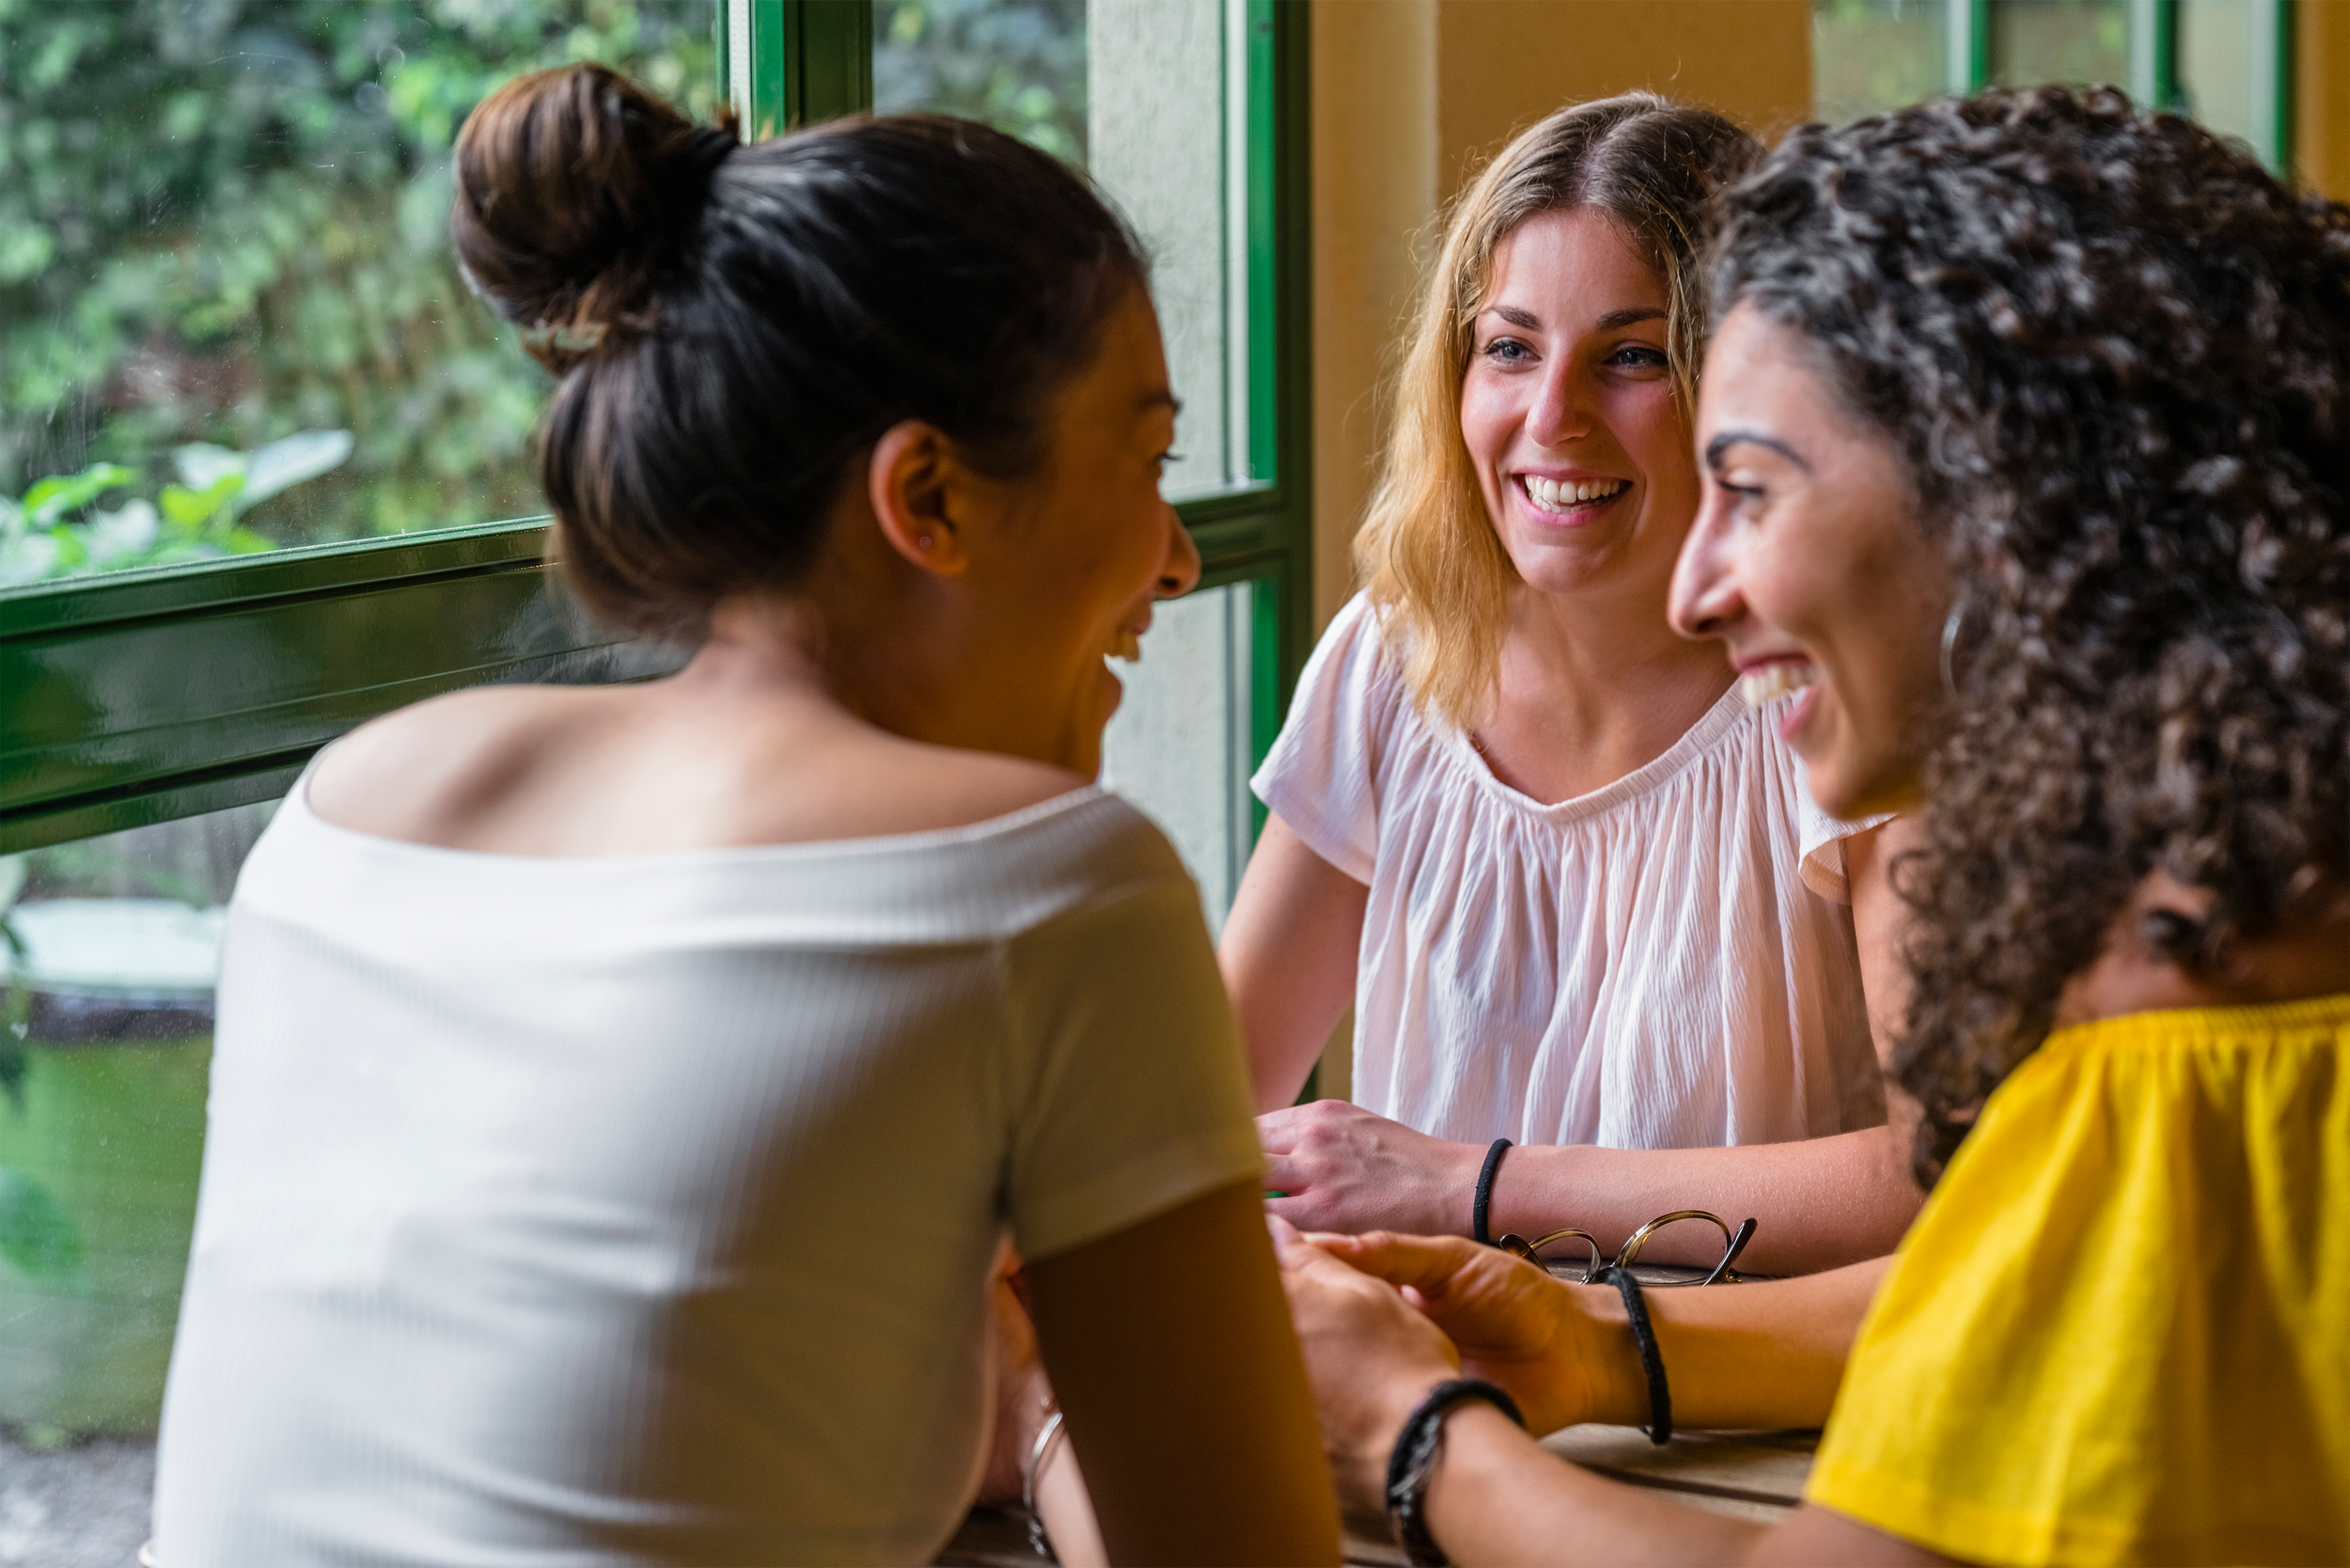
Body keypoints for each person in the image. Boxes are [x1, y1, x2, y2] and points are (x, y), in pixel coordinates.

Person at [149, 65, 1341, 1568]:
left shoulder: (354, 807)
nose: (1175, 560)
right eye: (1148, 459)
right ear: (932, 499)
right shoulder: (1048, 889)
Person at [1279, 86, 2350, 1565]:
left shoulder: (2185, 1060)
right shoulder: (2235, 977)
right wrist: (1602, 1344)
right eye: (1506, 348)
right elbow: (2001, 1293)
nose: (1704, 587)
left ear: (1998, 505)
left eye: (1753, 487)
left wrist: (1416, 1432)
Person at [1231, 93, 1921, 1274]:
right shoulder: (1394, 656)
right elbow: (1199, 1115)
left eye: (1633, 357)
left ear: (1751, 384)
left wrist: (1470, 1186)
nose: (1551, 418)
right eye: (1508, 348)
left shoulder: (1851, 688)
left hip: (1750, 1413)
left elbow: (1939, 1175)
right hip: (1438, 1388)